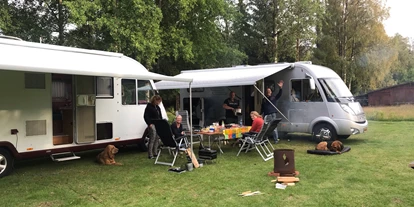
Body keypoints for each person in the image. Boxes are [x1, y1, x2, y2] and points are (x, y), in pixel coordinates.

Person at [143, 95, 163, 159]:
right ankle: (150, 154)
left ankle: (155, 152)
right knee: (152, 138)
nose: (158, 103)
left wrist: (161, 122)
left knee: (157, 138)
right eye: (158, 101)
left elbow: (160, 116)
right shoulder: (149, 107)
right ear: (155, 100)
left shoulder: (157, 107)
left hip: (157, 124)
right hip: (152, 124)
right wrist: (149, 124)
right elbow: (146, 116)